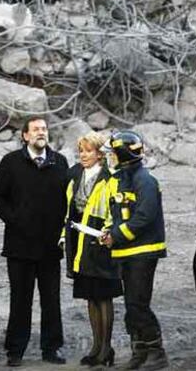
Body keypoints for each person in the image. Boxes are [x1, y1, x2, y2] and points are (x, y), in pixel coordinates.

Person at [0, 116, 69, 367]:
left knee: (51, 300)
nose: (41, 133)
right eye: (35, 129)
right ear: (24, 135)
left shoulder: (60, 162)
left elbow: (66, 202)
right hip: (19, 246)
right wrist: (14, 220)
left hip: (50, 247)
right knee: (20, 300)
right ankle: (15, 350)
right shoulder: (11, 162)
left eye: (44, 129)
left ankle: (52, 348)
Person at [100, 130, 168, 371]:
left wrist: (116, 236)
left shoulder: (145, 180)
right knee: (131, 306)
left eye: (112, 153)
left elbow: (144, 217)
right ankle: (139, 352)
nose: (109, 158)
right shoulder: (122, 179)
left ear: (123, 154)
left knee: (138, 304)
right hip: (127, 253)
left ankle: (156, 353)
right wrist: (108, 233)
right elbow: (118, 215)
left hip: (143, 252)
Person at [62, 131, 122, 367]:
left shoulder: (110, 177)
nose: (83, 155)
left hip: (101, 241)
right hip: (80, 242)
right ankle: (96, 347)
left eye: (88, 151)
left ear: (99, 154)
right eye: (81, 151)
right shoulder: (75, 174)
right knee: (90, 295)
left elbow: (114, 210)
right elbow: (69, 208)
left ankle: (106, 349)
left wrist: (109, 234)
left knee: (103, 295)